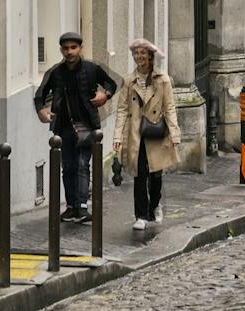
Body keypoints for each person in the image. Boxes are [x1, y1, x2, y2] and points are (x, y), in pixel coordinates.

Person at [34, 32, 119, 222]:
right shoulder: (55, 72)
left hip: (87, 126)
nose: (69, 51)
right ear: (61, 50)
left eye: (73, 47)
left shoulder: (92, 68)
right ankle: (71, 206)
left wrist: (105, 95)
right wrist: (42, 111)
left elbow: (113, 83)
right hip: (63, 127)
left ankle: (82, 207)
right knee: (68, 167)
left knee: (82, 165)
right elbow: (39, 95)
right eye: (66, 48)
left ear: (80, 48)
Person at [112, 38, 180, 232]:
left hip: (156, 131)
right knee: (139, 174)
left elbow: (170, 108)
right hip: (135, 134)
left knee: (156, 174)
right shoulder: (128, 81)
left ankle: (155, 204)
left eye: (143, 53)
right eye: (136, 53)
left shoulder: (163, 80)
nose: (139, 57)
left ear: (150, 57)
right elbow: (123, 110)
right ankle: (141, 215)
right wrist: (117, 137)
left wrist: (175, 134)